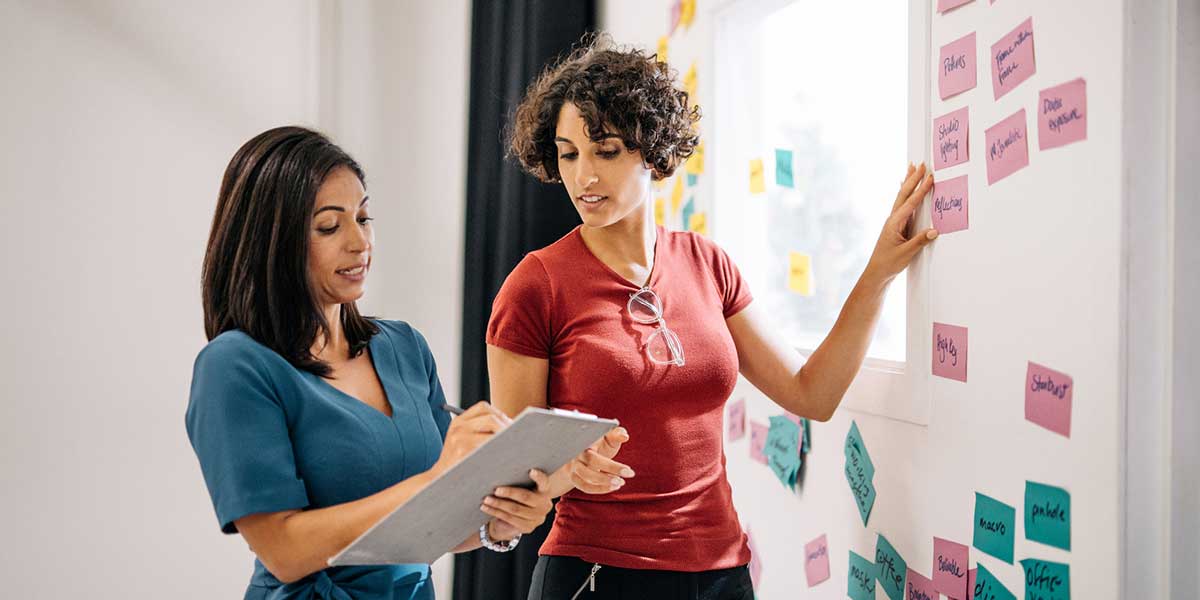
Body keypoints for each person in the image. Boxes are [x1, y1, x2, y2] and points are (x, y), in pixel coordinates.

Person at [487, 37, 937, 600]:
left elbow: (812, 393)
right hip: (597, 577)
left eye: (604, 150)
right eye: (568, 153)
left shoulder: (708, 264)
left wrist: (878, 274)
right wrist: (566, 474)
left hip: (722, 573)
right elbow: (509, 481)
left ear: (651, 150)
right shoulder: (535, 286)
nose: (583, 176)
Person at [186, 126, 556, 600]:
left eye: (363, 217)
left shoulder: (403, 347)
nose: (359, 243)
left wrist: (498, 524)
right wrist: (436, 478)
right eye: (329, 226)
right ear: (271, 240)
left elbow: (427, 523)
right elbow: (283, 549)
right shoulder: (235, 366)